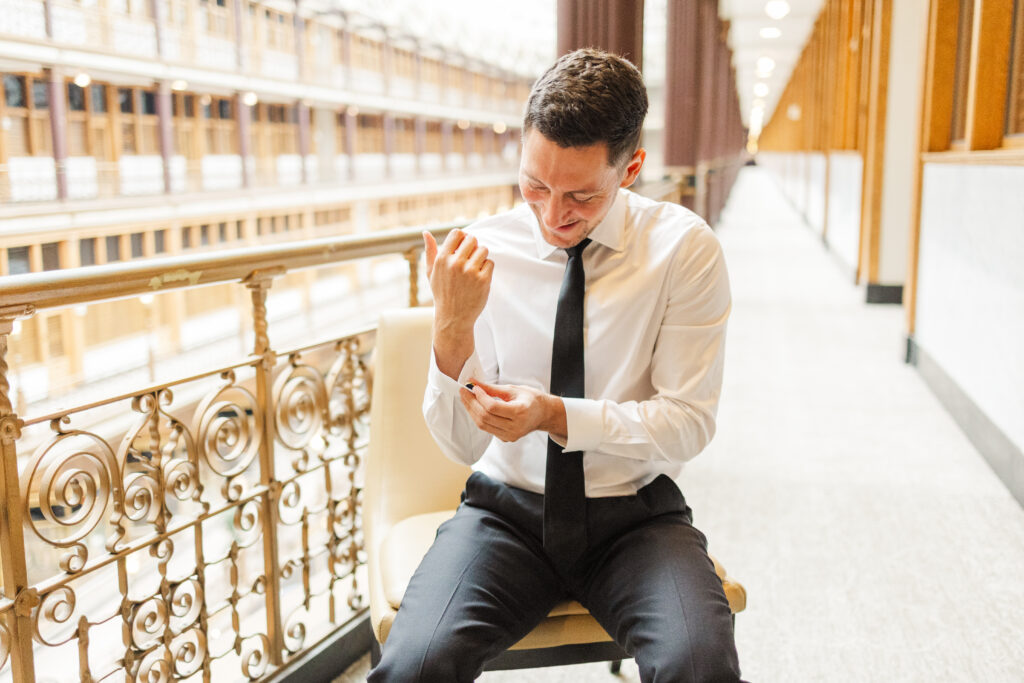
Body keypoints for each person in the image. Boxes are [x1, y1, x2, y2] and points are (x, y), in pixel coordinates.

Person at [368, 48, 741, 682]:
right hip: (504, 514)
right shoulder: (482, 250)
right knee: (412, 667)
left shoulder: (684, 250)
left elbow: (687, 425)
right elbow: (461, 445)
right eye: (534, 185)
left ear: (632, 169)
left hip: (635, 516)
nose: (551, 215)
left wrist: (556, 415)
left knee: (698, 666)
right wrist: (452, 327)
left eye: (580, 196)